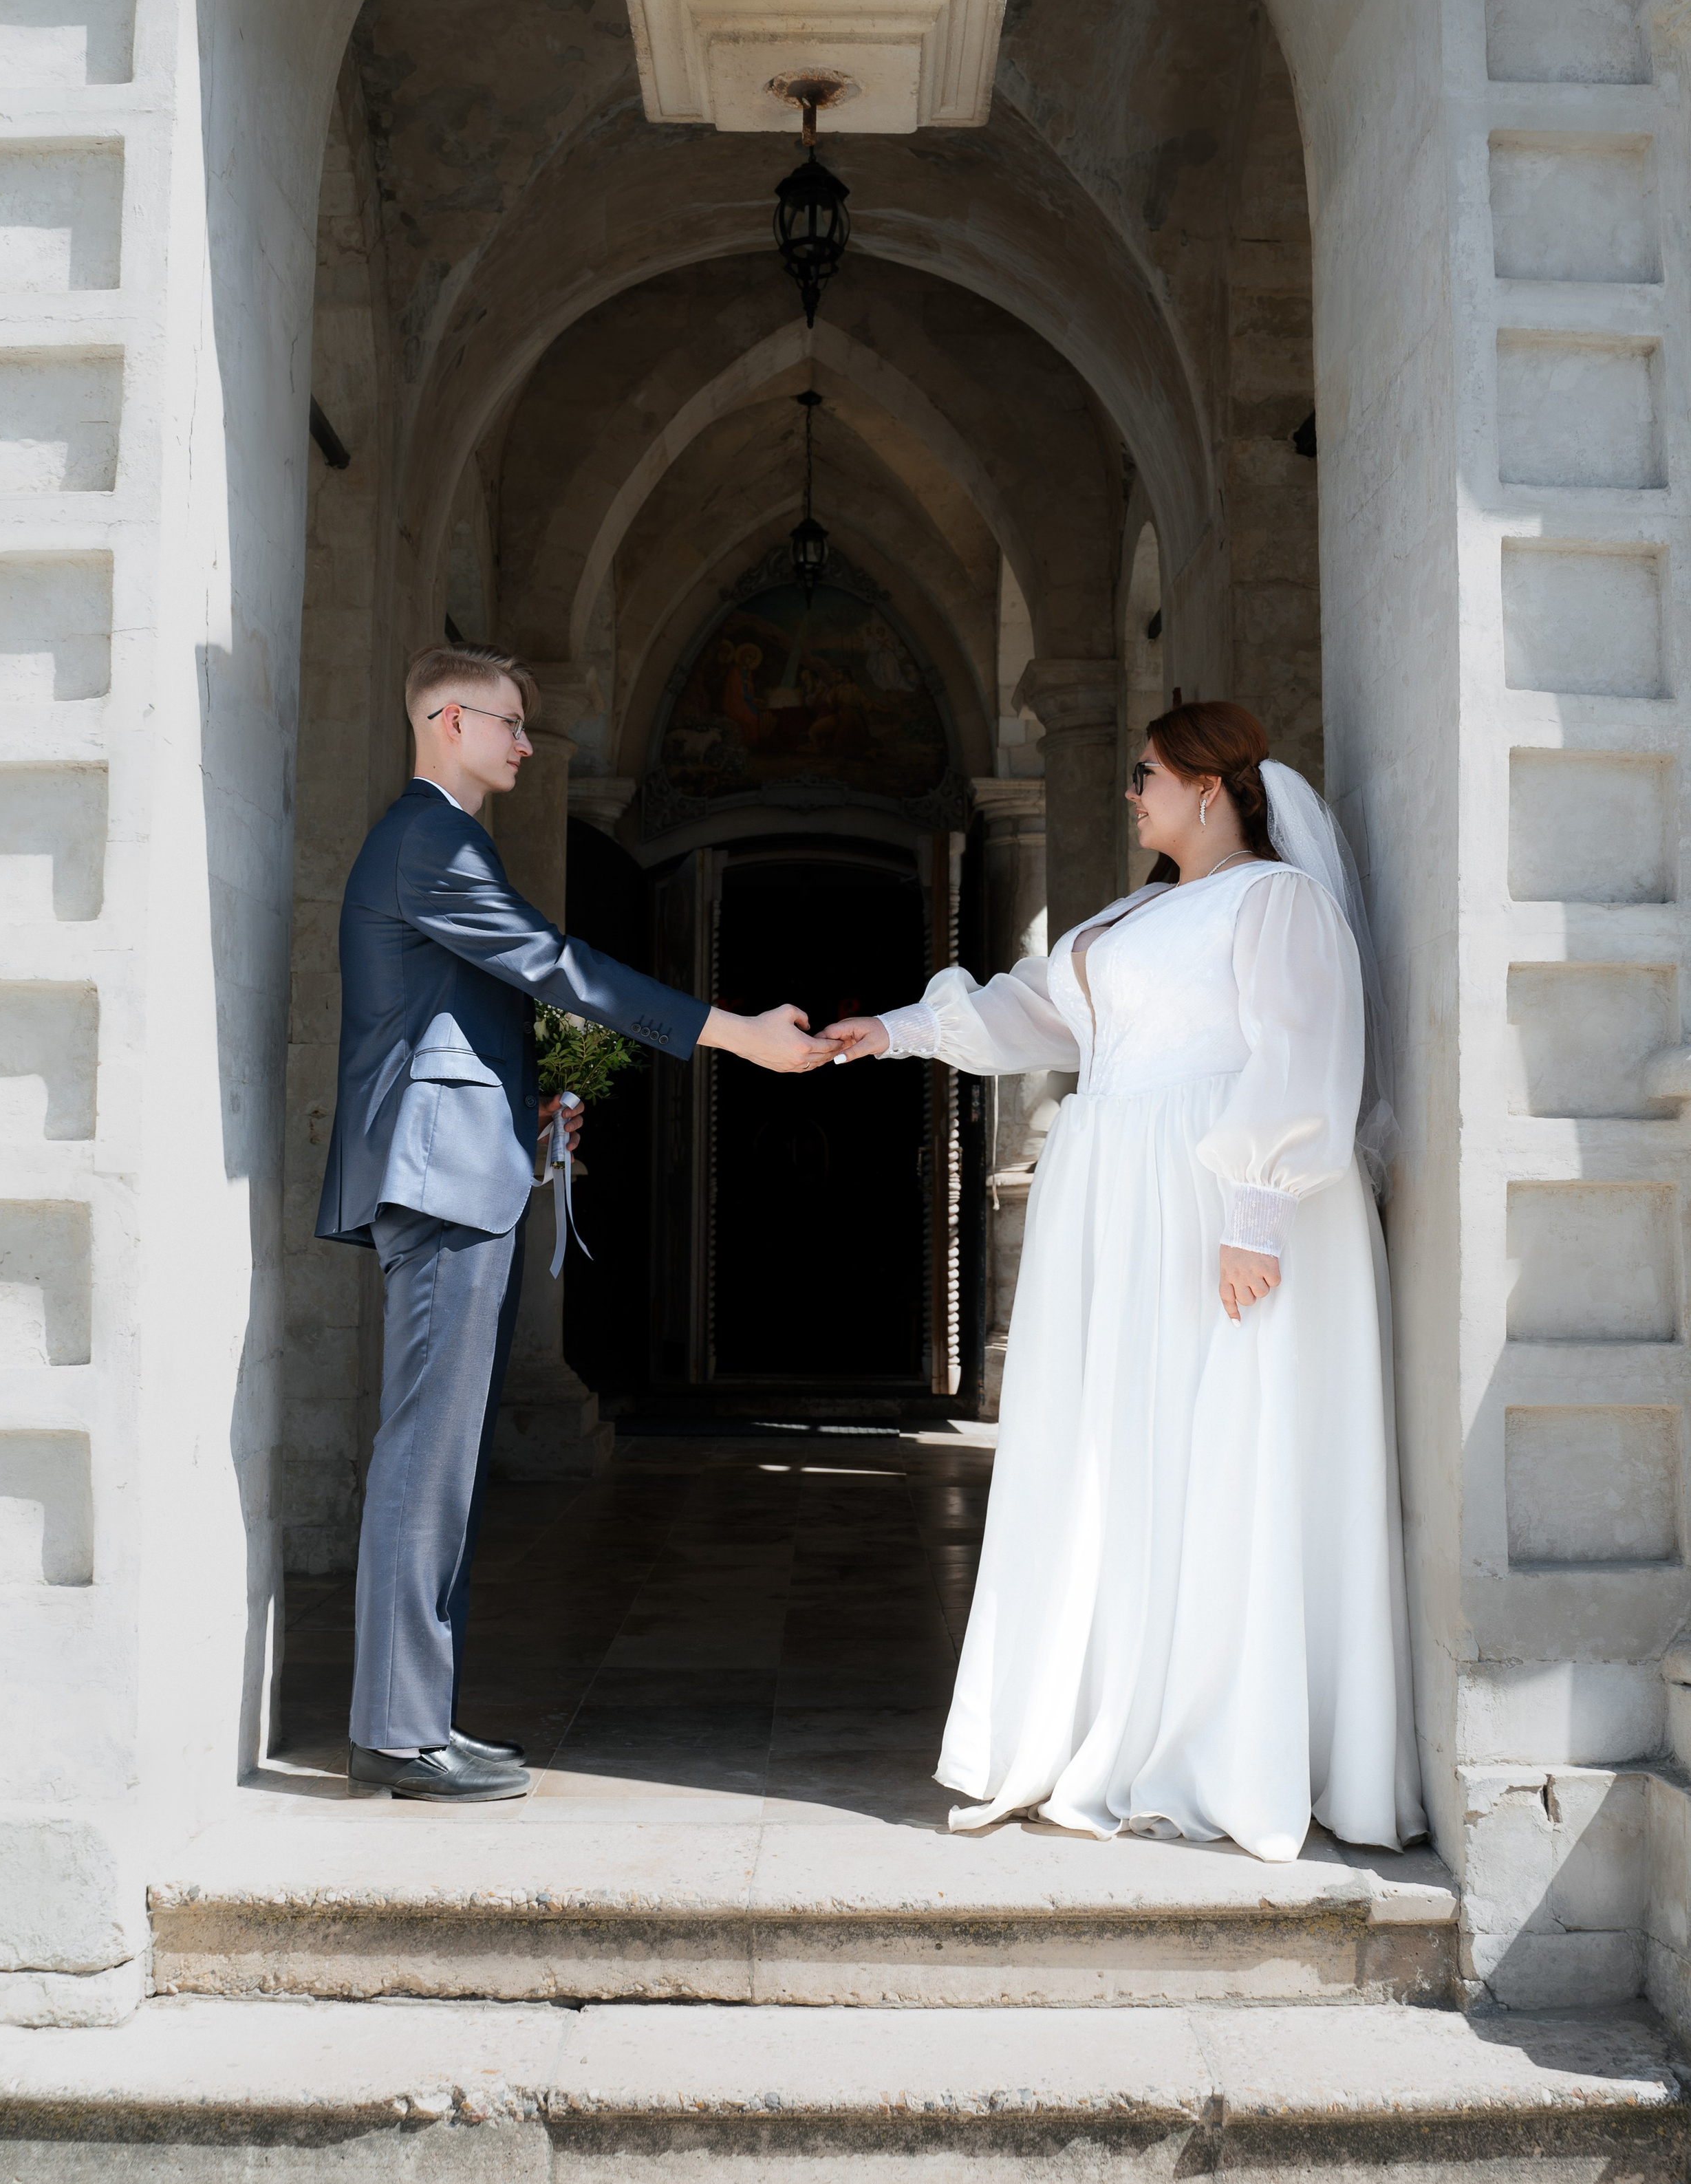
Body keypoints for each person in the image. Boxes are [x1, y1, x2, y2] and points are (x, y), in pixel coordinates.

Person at [819, 700, 1423, 1863]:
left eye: (1145, 772)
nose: (1131, 789)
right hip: (1120, 1199)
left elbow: (1302, 1053)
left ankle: (1222, 1737)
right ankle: (1120, 1710)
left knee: (1227, 1447)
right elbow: (1032, 1010)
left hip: (1213, 1195)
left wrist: (1255, 1213)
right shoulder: (1136, 910)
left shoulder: (1275, 899)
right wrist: (888, 1032)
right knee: (1124, 1446)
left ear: (1209, 788)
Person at [316, 640, 830, 1802]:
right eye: (508, 722)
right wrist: (734, 1032)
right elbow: (555, 965)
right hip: (441, 1178)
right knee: (425, 1456)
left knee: (447, 1459)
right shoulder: (430, 840)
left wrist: (535, 1090)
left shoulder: (448, 841)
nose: (526, 744)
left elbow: (466, 1003)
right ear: (448, 721)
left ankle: (416, 1717)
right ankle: (398, 1733)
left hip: (465, 1166)